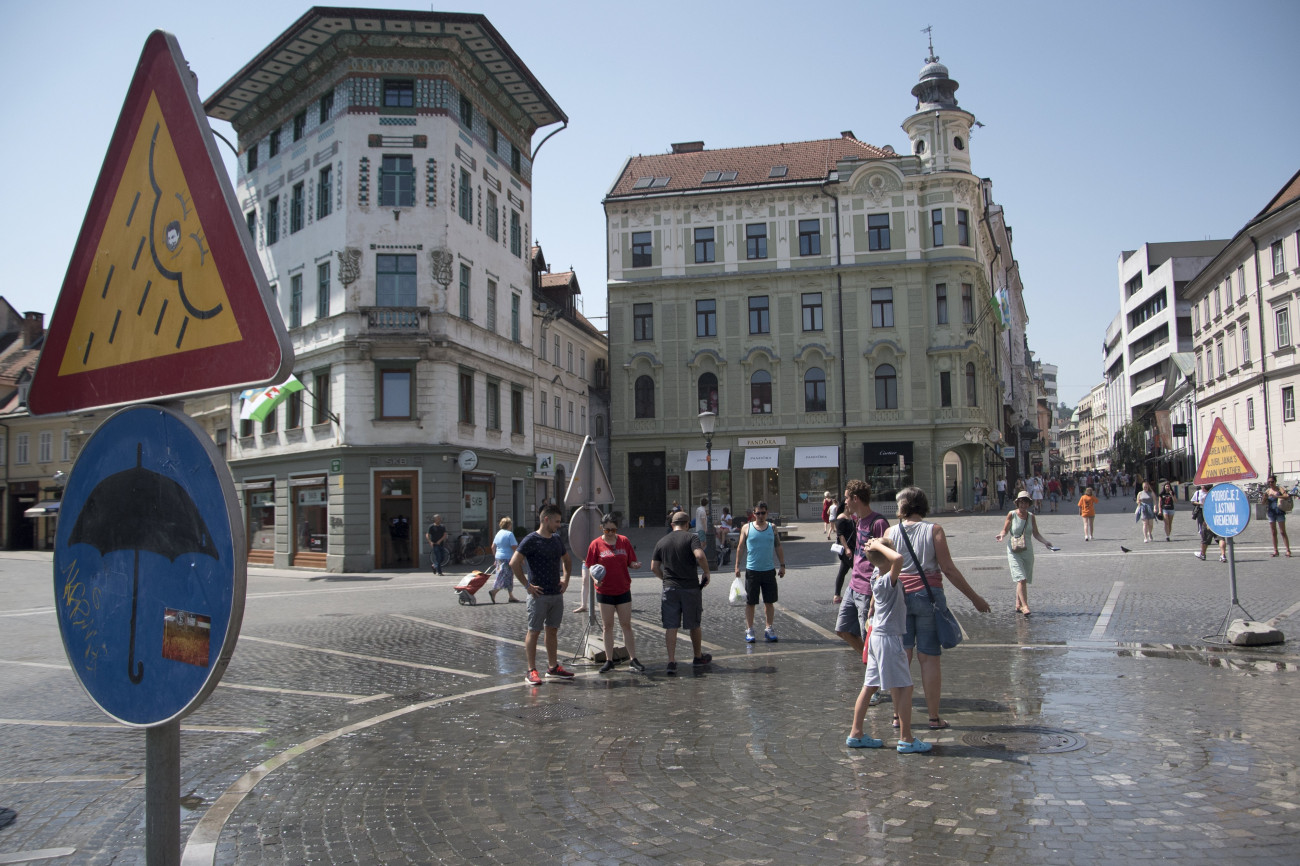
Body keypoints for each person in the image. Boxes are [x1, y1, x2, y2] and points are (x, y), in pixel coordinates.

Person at [889, 486, 991, 731]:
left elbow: (882, 569)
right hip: (928, 596)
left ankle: (898, 716)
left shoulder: (890, 532)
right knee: (929, 658)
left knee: (902, 657)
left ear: (904, 506)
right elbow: (948, 569)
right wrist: (974, 598)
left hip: (900, 597)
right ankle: (934, 718)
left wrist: (874, 606)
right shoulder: (934, 530)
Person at [845, 537, 931, 753]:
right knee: (904, 687)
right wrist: (878, 547)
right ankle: (906, 739)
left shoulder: (876, 576)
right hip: (889, 638)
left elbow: (874, 600)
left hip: (877, 636)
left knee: (869, 685)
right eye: (890, 548)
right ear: (885, 556)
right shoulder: (886, 579)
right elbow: (899, 559)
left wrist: (876, 548)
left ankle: (856, 733)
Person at [510, 504, 574, 685]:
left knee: (552, 630)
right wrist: (527, 585)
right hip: (538, 595)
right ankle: (531, 670)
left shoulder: (556, 540)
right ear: (546, 519)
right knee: (534, 631)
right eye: (557, 521)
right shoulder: (531, 540)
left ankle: (553, 668)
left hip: (556, 593)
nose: (559, 525)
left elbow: (567, 560)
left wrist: (566, 580)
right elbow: (514, 563)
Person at [833, 481, 890, 654]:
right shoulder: (858, 521)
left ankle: (875, 672)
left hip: (867, 588)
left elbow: (887, 560)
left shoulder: (879, 523)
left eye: (847, 498)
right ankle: (870, 664)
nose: (845, 502)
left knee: (869, 636)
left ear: (855, 499)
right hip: (853, 585)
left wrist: (875, 592)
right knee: (842, 629)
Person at [651, 510, 712, 672]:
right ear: (687, 525)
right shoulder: (692, 538)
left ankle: (671, 661)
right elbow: (699, 556)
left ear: (672, 525)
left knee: (671, 625)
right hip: (690, 587)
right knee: (694, 624)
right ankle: (698, 657)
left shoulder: (662, 541)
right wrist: (706, 572)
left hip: (670, 587)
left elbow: (654, 567)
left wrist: (665, 578)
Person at [585, 514, 644, 673]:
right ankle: (609, 660)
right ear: (601, 528)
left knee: (626, 625)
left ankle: (633, 659)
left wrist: (635, 564)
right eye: (607, 529)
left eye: (613, 529)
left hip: (623, 588)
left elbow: (630, 561)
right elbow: (590, 566)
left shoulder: (624, 541)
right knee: (607, 626)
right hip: (605, 591)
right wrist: (595, 579)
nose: (610, 532)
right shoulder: (595, 544)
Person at [734, 500, 786, 642]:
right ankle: (749, 629)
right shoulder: (746, 528)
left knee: (769, 602)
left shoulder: (772, 528)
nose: (761, 516)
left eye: (763, 513)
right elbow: (740, 547)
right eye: (758, 513)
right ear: (753, 514)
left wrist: (782, 565)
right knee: (750, 602)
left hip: (769, 570)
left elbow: (778, 546)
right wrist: (737, 566)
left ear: (767, 513)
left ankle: (769, 628)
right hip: (752, 570)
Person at [995, 492, 1053, 616]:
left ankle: (1018, 604)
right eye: (1021, 502)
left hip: (1027, 550)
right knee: (1021, 578)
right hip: (1014, 550)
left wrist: (1045, 542)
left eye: (1025, 502)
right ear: (1017, 503)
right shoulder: (1012, 514)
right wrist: (1001, 535)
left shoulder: (1031, 516)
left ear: (1028, 504)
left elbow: (1036, 533)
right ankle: (1025, 606)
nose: (1023, 504)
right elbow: (1005, 530)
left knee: (1022, 580)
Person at [487, 517, 521, 603]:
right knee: (505, 577)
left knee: (505, 576)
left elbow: (492, 547)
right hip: (508, 558)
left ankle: (511, 596)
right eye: (510, 524)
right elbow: (514, 547)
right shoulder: (509, 534)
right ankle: (494, 592)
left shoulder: (498, 533)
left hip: (499, 558)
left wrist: (495, 558)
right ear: (509, 525)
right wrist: (519, 558)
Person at [1191, 484, 1227, 562]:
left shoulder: (1206, 496)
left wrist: (1206, 521)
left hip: (1208, 518)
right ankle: (1223, 555)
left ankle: (1203, 554)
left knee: (1205, 538)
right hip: (1218, 519)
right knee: (1221, 538)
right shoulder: (1215, 494)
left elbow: (1207, 510)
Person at [1264, 475, 1292, 557]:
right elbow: (1263, 503)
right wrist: (1264, 498)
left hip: (1279, 511)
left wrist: (1276, 496)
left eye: (1272, 481)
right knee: (1273, 532)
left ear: (1275, 482)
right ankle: (1275, 550)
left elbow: (1286, 496)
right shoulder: (1268, 491)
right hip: (1271, 513)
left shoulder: (1279, 489)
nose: (1270, 483)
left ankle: (1288, 550)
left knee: (1283, 532)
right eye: (1269, 482)